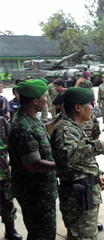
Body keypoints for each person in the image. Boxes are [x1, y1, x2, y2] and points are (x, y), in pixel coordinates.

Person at [51, 87, 104, 239]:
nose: (92, 108)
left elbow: (81, 160)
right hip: (77, 197)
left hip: (84, 192)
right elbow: (69, 155)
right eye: (89, 104)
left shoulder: (74, 127)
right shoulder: (65, 129)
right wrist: (100, 146)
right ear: (78, 108)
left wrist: (96, 175)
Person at [8, 79, 60, 239]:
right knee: (41, 234)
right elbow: (34, 165)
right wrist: (62, 165)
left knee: (45, 232)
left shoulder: (31, 119)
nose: (47, 100)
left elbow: (43, 130)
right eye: (45, 96)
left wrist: (59, 117)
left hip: (42, 190)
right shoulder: (23, 127)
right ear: (35, 101)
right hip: (35, 193)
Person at [0, 116, 22, 240]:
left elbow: (13, 144)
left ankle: (10, 230)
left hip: (3, 171)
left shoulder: (2, 122)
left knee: (7, 201)